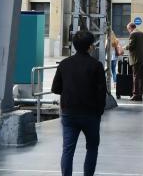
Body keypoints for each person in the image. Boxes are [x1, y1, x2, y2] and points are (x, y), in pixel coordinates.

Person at [52, 30, 107, 176]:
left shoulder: (64, 64)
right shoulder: (96, 66)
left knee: (68, 150)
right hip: (91, 114)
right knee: (92, 148)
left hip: (69, 113)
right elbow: (102, 92)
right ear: (90, 47)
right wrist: (99, 111)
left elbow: (55, 88)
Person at [124, 22, 143, 102]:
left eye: (128, 29)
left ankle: (135, 95)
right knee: (141, 77)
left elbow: (131, 46)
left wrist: (124, 47)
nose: (128, 31)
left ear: (130, 28)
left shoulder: (133, 34)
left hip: (136, 59)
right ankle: (140, 95)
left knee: (136, 77)